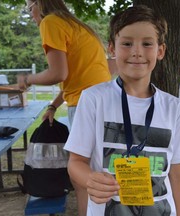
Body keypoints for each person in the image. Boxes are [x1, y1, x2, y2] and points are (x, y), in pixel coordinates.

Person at [64, 5, 180, 216]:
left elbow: (178, 172)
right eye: (127, 43)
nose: (137, 52)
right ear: (112, 49)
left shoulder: (175, 108)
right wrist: (89, 179)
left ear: (160, 51)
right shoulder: (93, 99)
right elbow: (76, 162)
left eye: (147, 44)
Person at [18, 1, 111, 215]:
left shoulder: (50, 22)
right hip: (103, 102)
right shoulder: (75, 24)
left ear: (39, 3)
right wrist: (53, 106)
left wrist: (27, 79)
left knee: (81, 175)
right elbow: (77, 77)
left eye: (29, 7)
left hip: (86, 107)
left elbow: (58, 73)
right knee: (97, 170)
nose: (31, 14)